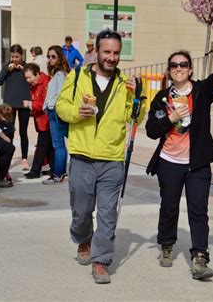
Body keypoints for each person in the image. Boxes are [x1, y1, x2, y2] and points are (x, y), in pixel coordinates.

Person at [56, 29, 146, 284]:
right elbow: (61, 108)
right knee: (81, 211)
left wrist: (138, 96)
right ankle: (84, 238)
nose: (112, 57)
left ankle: (101, 260)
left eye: (116, 53)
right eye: (107, 52)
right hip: (82, 156)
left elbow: (135, 118)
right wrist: (77, 112)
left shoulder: (125, 83)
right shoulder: (76, 77)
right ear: (96, 52)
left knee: (108, 214)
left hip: (112, 160)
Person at [145, 50, 213, 280]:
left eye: (183, 65)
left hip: (197, 163)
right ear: (169, 71)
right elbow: (151, 130)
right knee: (169, 207)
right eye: (174, 65)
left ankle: (200, 256)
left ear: (190, 69)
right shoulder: (162, 98)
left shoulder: (201, 92)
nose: (179, 68)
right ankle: (167, 244)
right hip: (169, 162)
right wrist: (171, 117)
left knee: (199, 210)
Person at [0, 44, 31, 171]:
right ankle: (7, 158)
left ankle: (24, 159)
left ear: (21, 55)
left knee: (23, 132)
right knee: (8, 132)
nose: (15, 59)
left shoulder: (27, 67)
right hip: (9, 105)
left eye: (17, 56)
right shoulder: (7, 67)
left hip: (23, 103)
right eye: (13, 56)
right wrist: (6, 71)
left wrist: (23, 70)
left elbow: (32, 81)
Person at [42, 45, 70, 185]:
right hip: (55, 111)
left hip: (55, 111)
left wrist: (49, 106)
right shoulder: (58, 74)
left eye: (53, 56)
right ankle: (61, 172)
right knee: (60, 145)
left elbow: (60, 93)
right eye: (49, 56)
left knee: (58, 145)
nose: (50, 59)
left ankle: (58, 174)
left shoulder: (59, 74)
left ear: (59, 57)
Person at [23, 63, 53, 179]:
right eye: (26, 78)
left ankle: (35, 170)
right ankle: (55, 168)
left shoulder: (46, 83)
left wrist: (31, 104)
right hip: (41, 120)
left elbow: (46, 103)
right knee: (48, 146)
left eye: (29, 77)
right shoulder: (35, 85)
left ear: (37, 75)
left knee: (41, 146)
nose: (28, 80)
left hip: (47, 120)